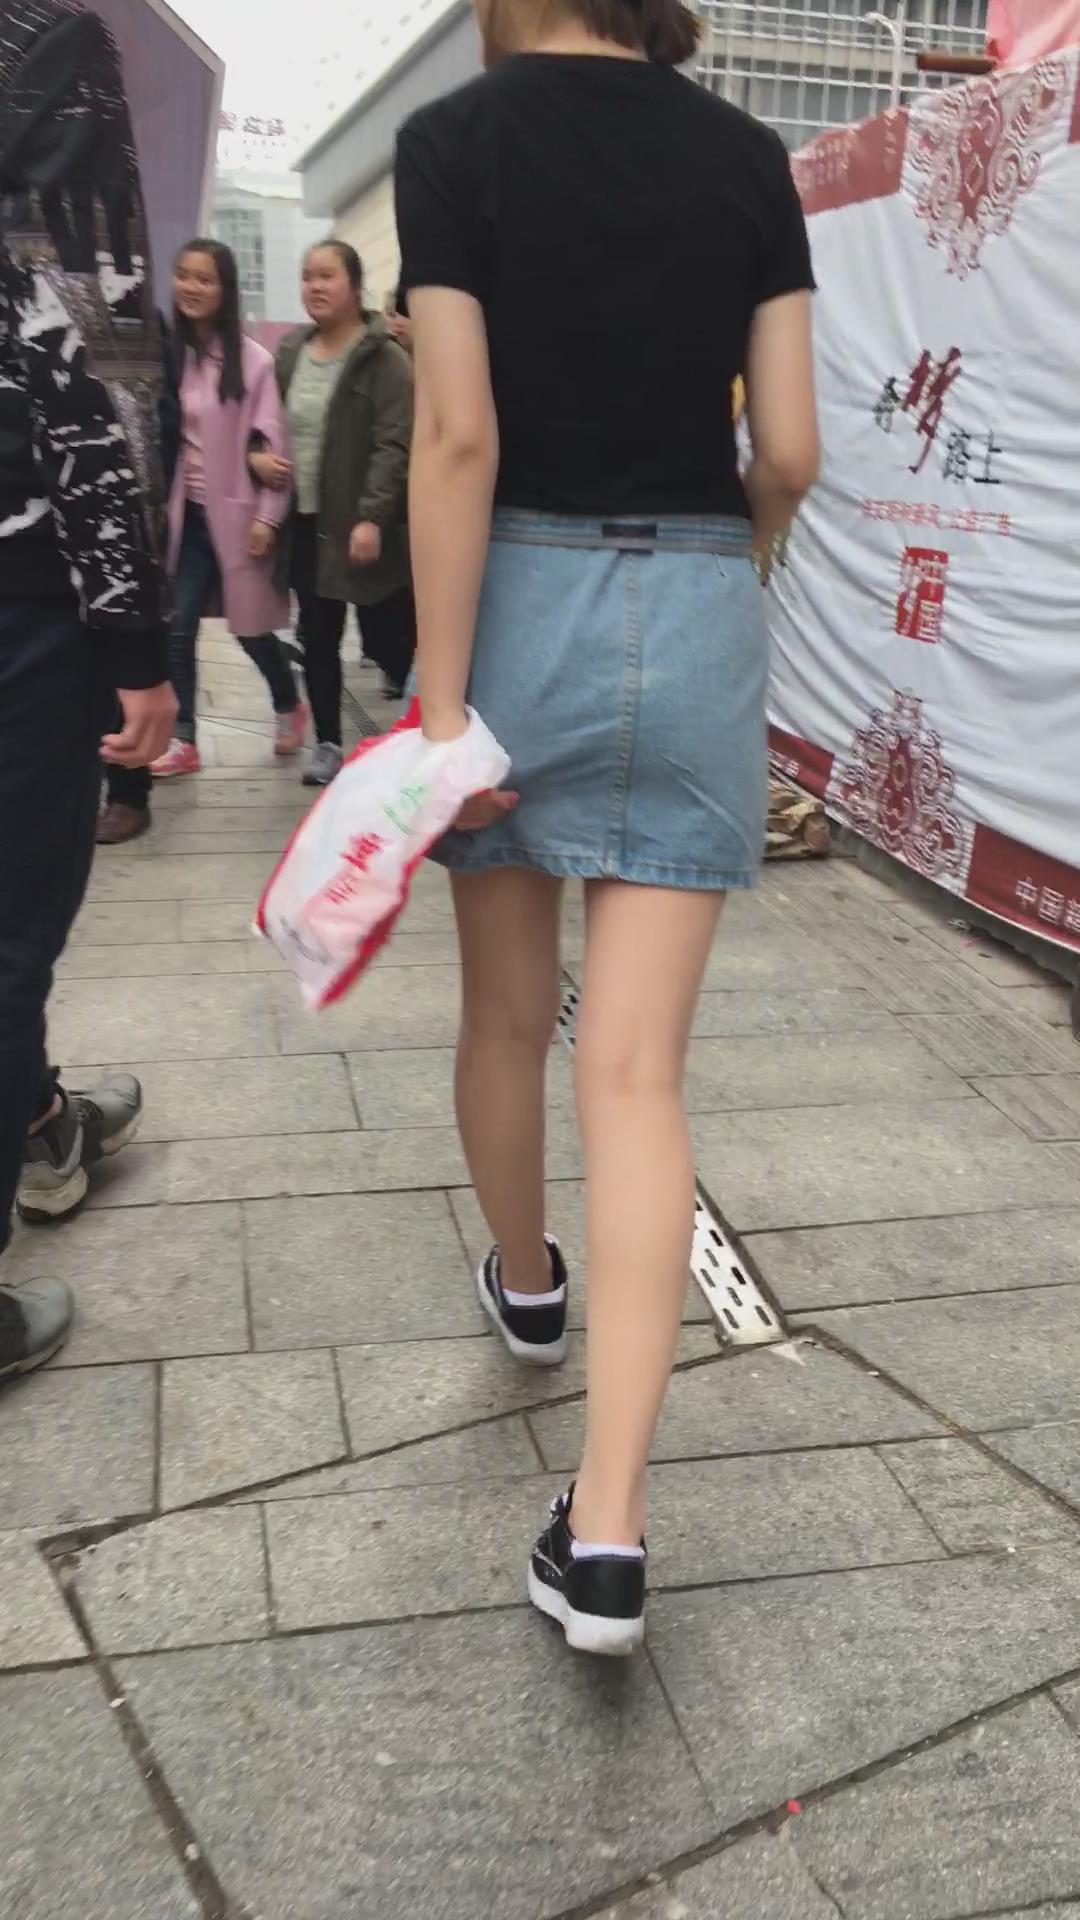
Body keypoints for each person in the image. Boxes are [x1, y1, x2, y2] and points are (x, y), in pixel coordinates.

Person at [395, 0, 819, 1652]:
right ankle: (612, 1533)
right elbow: (789, 450)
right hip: (696, 603)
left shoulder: (456, 141)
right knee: (636, 1073)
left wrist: (442, 710)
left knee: (508, 1011)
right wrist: (736, 562)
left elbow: (457, 434)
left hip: (509, 602)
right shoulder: (750, 156)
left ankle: (527, 1283)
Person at [0, 0, 177, 1377]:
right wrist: (134, 640)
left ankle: (45, 1118)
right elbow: (93, 343)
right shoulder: (46, 41)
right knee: (8, 936)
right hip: (20, 583)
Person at [252, 241, 414, 786]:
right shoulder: (290, 352)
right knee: (318, 635)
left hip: (365, 525)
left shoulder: (385, 359)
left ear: (355, 286)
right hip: (306, 522)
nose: (315, 286)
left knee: (391, 637)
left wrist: (372, 516)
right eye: (307, 276)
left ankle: (422, 734)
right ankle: (327, 742)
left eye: (327, 276)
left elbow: (395, 444)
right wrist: (257, 459)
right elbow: (263, 424)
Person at [150, 239, 307, 779]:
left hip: (237, 519)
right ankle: (184, 738)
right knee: (178, 629)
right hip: (185, 519)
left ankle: (288, 701)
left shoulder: (254, 362)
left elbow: (276, 450)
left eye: (205, 278)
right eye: (183, 275)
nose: (191, 287)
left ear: (226, 290)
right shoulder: (166, 356)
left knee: (249, 628)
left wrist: (267, 517)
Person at [97, 311, 182, 843]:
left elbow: (153, 435)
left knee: (119, 661)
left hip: (101, 526)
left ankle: (128, 793)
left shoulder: (121, 301)